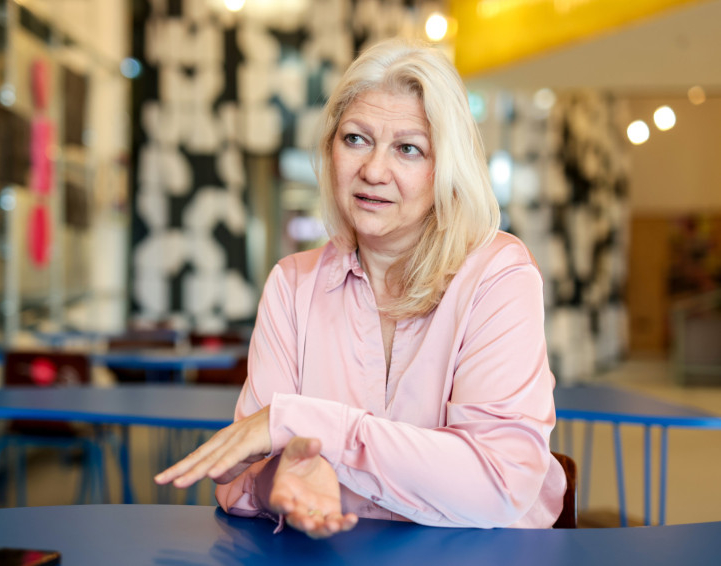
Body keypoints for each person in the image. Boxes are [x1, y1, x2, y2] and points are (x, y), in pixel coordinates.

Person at [155, 38, 566, 537]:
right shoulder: (292, 285)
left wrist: (310, 426)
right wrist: (283, 481)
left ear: (446, 168)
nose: (373, 170)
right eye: (355, 139)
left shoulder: (499, 274)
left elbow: (499, 483)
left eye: (408, 149)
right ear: (330, 150)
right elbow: (239, 477)